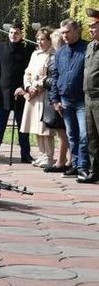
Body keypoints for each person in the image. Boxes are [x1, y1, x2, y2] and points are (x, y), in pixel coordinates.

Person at [0, 21, 34, 164]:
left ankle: (25, 154)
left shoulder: (28, 49)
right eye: (11, 32)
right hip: (3, 92)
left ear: (22, 35)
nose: (13, 35)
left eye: (17, 33)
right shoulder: (1, 48)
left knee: (23, 126)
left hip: (21, 92)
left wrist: (25, 89)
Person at [49, 18, 89, 178]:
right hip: (65, 99)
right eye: (62, 32)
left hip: (82, 100)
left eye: (67, 32)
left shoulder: (87, 49)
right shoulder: (60, 52)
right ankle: (76, 164)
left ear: (76, 31)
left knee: (84, 135)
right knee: (72, 135)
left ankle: (84, 166)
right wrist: (55, 100)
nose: (64, 35)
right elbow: (56, 76)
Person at [19, 27, 55, 168]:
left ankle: (49, 156)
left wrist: (39, 87)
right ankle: (41, 154)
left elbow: (51, 75)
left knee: (45, 128)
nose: (39, 42)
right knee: (35, 126)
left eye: (42, 39)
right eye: (38, 39)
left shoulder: (53, 54)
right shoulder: (35, 54)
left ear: (49, 40)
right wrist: (28, 86)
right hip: (32, 94)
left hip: (43, 94)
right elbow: (27, 73)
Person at [43, 29, 71, 173]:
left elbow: (54, 79)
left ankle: (61, 161)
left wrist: (44, 81)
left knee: (62, 133)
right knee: (67, 132)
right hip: (60, 96)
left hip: (58, 98)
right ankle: (70, 160)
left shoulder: (57, 56)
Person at [81, 9, 99, 183]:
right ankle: (95, 171)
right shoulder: (90, 46)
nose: (91, 30)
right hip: (88, 98)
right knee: (91, 137)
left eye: (94, 26)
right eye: (90, 27)